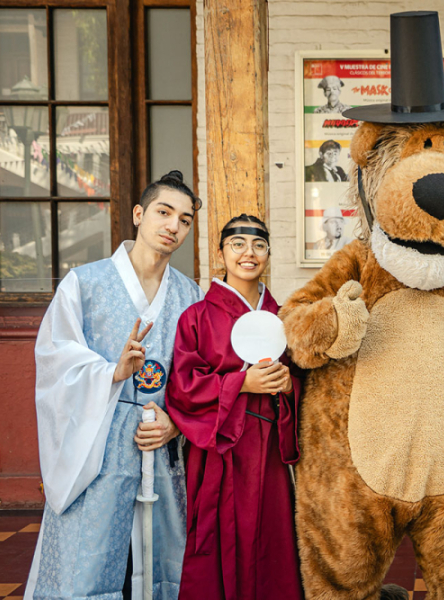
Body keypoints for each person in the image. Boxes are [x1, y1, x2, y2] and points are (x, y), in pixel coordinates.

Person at [25, 171, 203, 600]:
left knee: (162, 565)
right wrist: (111, 373)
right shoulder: (84, 284)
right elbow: (54, 360)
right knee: (89, 565)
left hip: (160, 448)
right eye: (164, 212)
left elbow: (200, 377)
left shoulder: (191, 295)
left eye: (184, 220)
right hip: (98, 449)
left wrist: (176, 423)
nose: (173, 226)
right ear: (139, 215)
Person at [166, 214, 303, 600]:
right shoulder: (196, 317)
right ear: (221, 253)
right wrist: (241, 382)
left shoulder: (283, 318)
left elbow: (303, 382)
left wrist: (286, 385)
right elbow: (183, 388)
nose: (249, 253)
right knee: (220, 537)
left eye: (259, 245)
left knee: (274, 539)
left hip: (271, 447)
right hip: (220, 449)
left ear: (269, 254)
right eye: (237, 244)